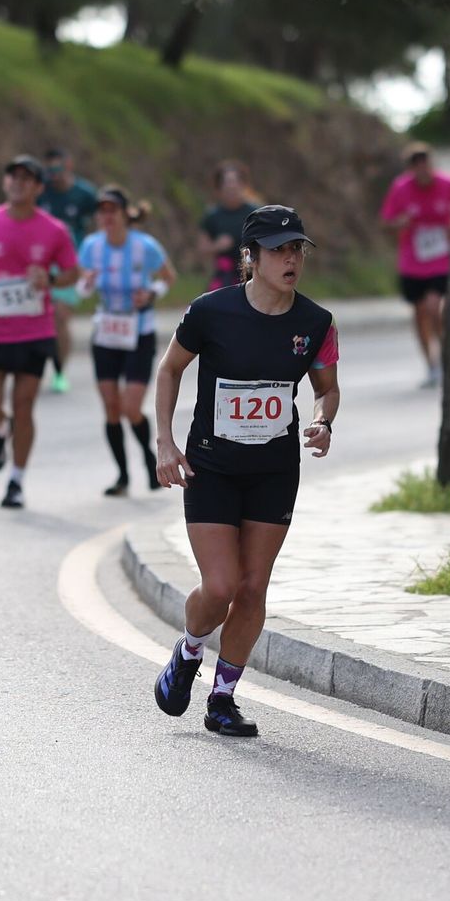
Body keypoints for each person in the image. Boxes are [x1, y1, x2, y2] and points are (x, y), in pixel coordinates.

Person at [151, 205, 340, 738]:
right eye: (279, 249)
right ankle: (188, 650)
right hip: (211, 464)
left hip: (274, 469)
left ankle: (223, 698)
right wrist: (165, 443)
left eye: (297, 249)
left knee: (253, 587)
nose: (291, 259)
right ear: (251, 257)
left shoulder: (316, 322)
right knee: (221, 585)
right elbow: (169, 370)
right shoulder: (211, 312)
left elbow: (326, 389)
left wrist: (324, 421)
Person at [0, 155, 80, 510]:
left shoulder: (54, 230)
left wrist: (51, 279)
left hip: (33, 329)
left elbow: (73, 272)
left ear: (38, 188)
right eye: (13, 176)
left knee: (24, 405)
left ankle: (16, 481)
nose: (18, 183)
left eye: (27, 179)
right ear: (4, 182)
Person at [76, 186, 177, 496]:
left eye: (112, 211)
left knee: (130, 407)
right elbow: (81, 289)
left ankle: (148, 458)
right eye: (101, 211)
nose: (107, 217)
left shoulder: (144, 246)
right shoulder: (91, 246)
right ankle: (121, 475)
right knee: (110, 406)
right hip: (106, 331)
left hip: (138, 332)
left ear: (123, 214)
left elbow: (168, 278)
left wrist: (150, 294)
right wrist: (85, 284)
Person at [379, 142, 450, 386]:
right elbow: (386, 222)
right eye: (417, 167)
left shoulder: (448, 185)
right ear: (411, 169)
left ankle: (446, 358)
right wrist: (399, 224)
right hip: (413, 262)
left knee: (435, 307)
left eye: (426, 165)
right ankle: (431, 365)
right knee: (420, 313)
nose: (423, 171)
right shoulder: (401, 188)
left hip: (442, 260)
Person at [37, 147, 100, 394]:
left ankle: (60, 371)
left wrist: (92, 260)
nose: (54, 175)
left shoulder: (84, 194)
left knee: (61, 317)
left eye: (58, 169)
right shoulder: (40, 190)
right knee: (39, 316)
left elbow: (99, 226)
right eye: (50, 170)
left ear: (69, 165)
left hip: (71, 263)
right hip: (41, 261)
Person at [197, 160, 260, 293]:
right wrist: (217, 246)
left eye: (235, 182)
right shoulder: (212, 216)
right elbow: (202, 249)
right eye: (227, 183)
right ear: (219, 188)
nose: (231, 187)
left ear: (244, 185)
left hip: (253, 271)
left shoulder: (256, 213)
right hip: (224, 274)